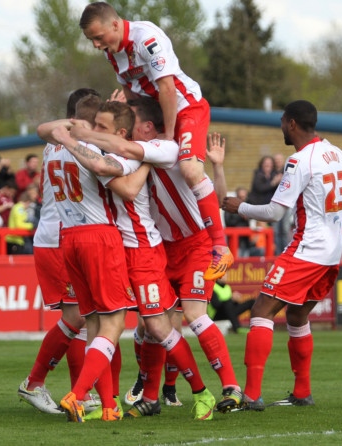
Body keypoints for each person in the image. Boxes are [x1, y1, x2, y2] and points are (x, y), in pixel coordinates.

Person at [70, 96, 239, 416]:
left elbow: (213, 199)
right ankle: (149, 395)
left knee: (191, 314)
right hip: (162, 248)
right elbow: (119, 145)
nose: (126, 129)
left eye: (130, 121)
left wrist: (75, 135)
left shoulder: (166, 149)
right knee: (151, 326)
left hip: (193, 245)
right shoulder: (135, 150)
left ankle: (227, 386)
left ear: (147, 127)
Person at [222, 100, 342, 409]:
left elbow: (274, 211)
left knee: (261, 312)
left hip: (307, 249)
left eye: (283, 121)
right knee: (297, 315)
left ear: (292, 123)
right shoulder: (334, 151)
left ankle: (252, 396)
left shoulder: (299, 161)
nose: (281, 126)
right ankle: (302, 392)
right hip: (331, 253)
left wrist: (238, 207)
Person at [79, 2, 234, 281]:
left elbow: (167, 88)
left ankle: (220, 246)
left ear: (115, 24)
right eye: (91, 39)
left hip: (185, 109)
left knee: (188, 169)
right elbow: (131, 91)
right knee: (154, 170)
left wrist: (167, 134)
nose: (95, 44)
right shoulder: (113, 53)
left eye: (98, 37)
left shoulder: (146, 39)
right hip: (156, 114)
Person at [40, 99, 137, 423]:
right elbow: (103, 168)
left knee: (94, 325)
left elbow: (45, 130)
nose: (98, 131)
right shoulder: (85, 148)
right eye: (97, 125)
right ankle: (77, 394)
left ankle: (108, 406)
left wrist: (68, 132)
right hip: (99, 237)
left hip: (69, 238)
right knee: (114, 323)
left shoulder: (51, 148)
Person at [17, 88, 101, 417]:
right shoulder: (82, 146)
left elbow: (45, 128)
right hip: (59, 238)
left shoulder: (54, 141)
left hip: (59, 235)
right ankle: (35, 382)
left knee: (79, 319)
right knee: (77, 317)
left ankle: (82, 392)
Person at [6, 185, 39, 255]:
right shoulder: (19, 208)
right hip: (15, 240)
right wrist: (32, 226)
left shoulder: (18, 208)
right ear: (27, 202)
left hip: (17, 240)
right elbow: (19, 225)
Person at [224, 186, 254, 257]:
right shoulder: (229, 206)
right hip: (234, 241)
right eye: (241, 197)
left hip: (245, 240)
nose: (243, 199)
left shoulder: (247, 206)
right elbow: (228, 222)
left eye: (244, 197)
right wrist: (240, 215)